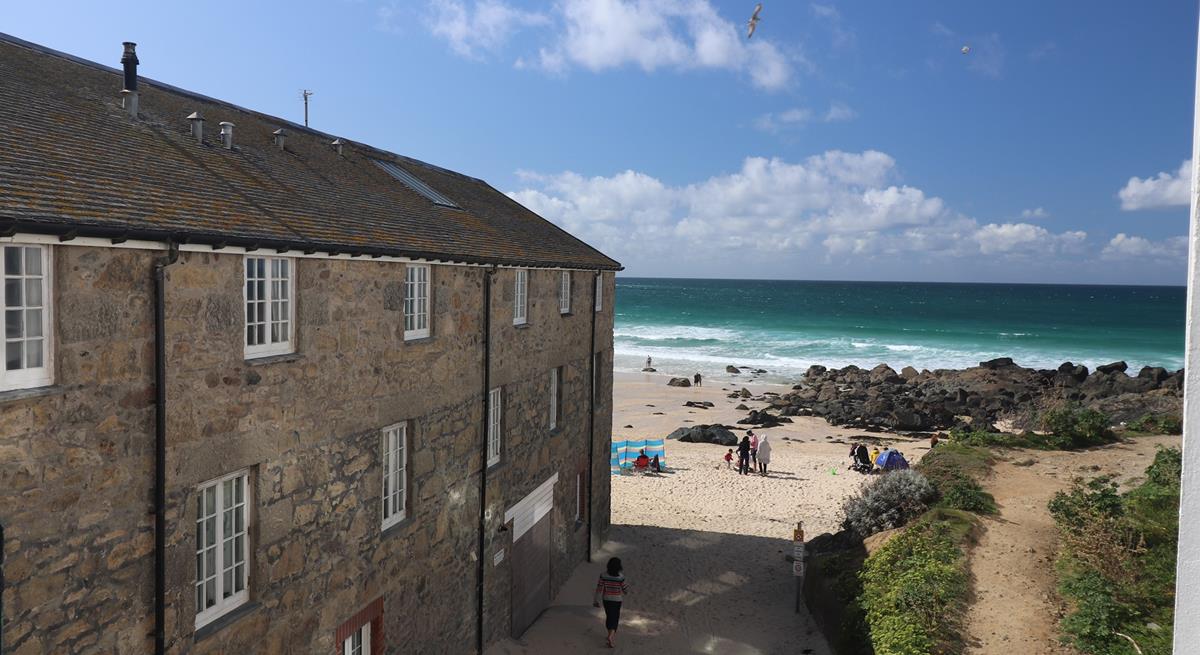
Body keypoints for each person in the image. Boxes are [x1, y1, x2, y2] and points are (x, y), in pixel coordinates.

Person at [594, 557, 630, 648]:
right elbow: (625, 590)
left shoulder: (603, 575)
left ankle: (609, 634)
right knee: (615, 617)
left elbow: (599, 588)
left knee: (609, 616)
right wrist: (626, 591)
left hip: (606, 599)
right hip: (617, 600)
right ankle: (611, 636)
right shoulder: (621, 577)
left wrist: (596, 600)